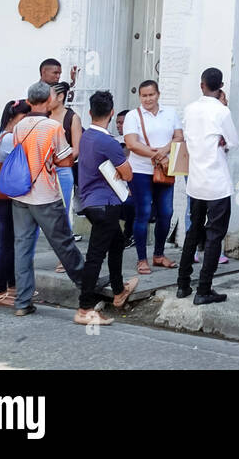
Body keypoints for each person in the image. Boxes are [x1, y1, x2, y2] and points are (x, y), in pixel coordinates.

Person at [11, 81, 86, 316]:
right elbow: (65, 160)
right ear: (47, 100)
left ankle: (22, 302)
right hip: (45, 193)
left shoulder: (19, 126)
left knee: (22, 248)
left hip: (21, 194)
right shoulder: (53, 127)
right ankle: (87, 288)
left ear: (30, 101)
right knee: (63, 243)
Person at [75, 90, 138, 326]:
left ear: (90, 112)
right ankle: (85, 308)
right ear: (112, 113)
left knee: (117, 242)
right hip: (106, 203)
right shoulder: (107, 141)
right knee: (95, 257)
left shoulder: (86, 137)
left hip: (91, 202)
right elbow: (127, 173)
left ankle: (119, 290)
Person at [177, 68, 239, 305]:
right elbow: (233, 140)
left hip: (196, 180)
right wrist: (222, 141)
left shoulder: (190, 109)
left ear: (202, 85)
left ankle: (183, 283)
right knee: (215, 236)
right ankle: (204, 288)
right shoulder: (222, 111)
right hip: (217, 182)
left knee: (194, 230)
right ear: (220, 86)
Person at [122, 79, 183, 276]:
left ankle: (159, 254)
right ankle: (141, 259)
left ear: (158, 94)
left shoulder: (170, 113)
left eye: (151, 95)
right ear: (140, 97)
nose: (148, 99)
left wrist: (165, 152)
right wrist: (157, 156)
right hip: (140, 171)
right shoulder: (133, 116)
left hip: (165, 170)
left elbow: (179, 137)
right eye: (144, 96)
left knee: (166, 212)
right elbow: (131, 144)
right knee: (144, 213)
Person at [0, 99, 40, 307]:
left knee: (9, 242)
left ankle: (11, 288)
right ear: (12, 118)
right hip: (4, 196)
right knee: (7, 244)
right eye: (23, 118)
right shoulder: (9, 139)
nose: (26, 122)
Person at [48, 82, 83, 261]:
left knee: (63, 212)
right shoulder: (43, 116)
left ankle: (66, 258)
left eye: (50, 95)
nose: (46, 100)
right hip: (43, 171)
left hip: (62, 170)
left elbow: (76, 148)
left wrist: (58, 160)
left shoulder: (72, 117)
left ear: (60, 97)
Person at [114, 109, 134, 250]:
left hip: (132, 186)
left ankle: (128, 235)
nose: (119, 126)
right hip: (116, 185)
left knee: (130, 203)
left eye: (122, 123)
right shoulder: (114, 141)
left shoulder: (136, 143)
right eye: (117, 122)